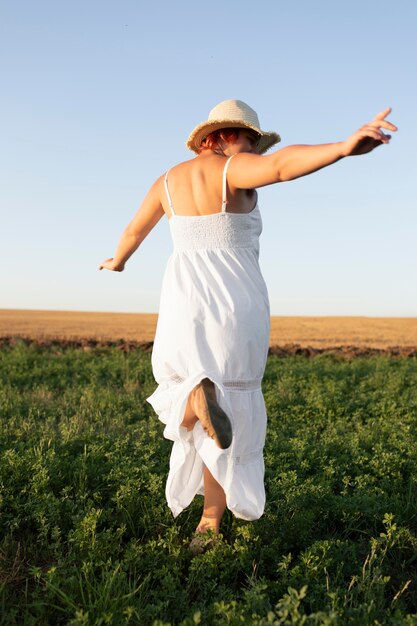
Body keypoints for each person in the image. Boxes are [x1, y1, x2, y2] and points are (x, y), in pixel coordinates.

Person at [100, 99, 397, 552]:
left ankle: (208, 515)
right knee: (234, 401)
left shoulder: (166, 181)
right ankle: (211, 508)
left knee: (186, 390)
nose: (253, 149)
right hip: (235, 298)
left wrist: (117, 262)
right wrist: (342, 147)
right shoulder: (230, 168)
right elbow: (281, 167)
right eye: (247, 139)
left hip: (183, 297)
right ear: (215, 139)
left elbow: (132, 233)